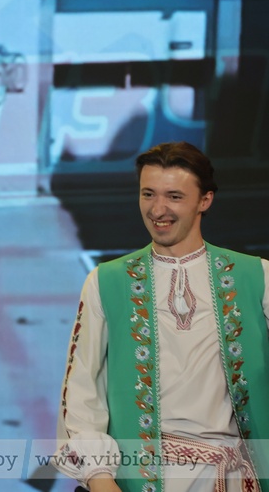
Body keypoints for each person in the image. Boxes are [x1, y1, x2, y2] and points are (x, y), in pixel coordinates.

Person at [55, 142, 269, 492]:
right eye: (148, 194)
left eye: (174, 196)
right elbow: (82, 390)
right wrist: (100, 481)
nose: (158, 209)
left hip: (234, 477)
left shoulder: (257, 277)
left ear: (205, 200)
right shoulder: (106, 282)